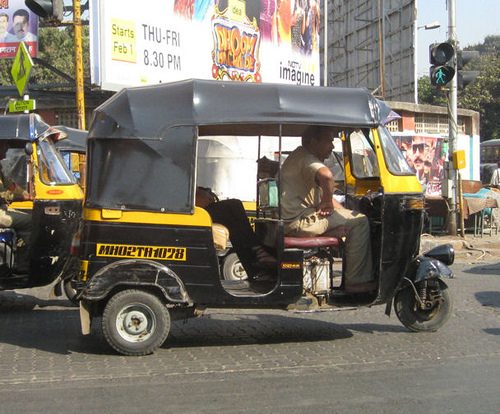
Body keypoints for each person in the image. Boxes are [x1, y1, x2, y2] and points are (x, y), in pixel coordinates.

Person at [280, 126, 375, 294]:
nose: (332, 146)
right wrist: (329, 205)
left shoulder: (298, 156)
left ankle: (336, 232)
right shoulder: (308, 159)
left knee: (351, 221)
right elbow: (327, 176)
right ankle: (356, 282)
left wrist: (340, 212)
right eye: (329, 141)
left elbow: (326, 199)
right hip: (300, 222)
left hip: (295, 220)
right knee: (360, 222)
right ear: (314, 142)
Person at [195, 187, 276, 277]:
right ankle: (257, 251)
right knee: (234, 205)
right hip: (191, 211)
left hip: (194, 209)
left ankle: (255, 267)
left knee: (234, 219)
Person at [0, 142, 32, 271]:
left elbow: (11, 185)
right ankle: (22, 263)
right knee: (30, 222)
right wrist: (15, 196)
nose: (6, 150)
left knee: (28, 215)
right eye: (3, 147)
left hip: (2, 208)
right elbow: (5, 193)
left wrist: (27, 195)